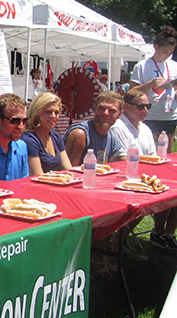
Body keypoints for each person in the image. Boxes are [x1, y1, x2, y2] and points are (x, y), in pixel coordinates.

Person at [109, 90, 177, 249]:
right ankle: (118, 242)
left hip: (146, 177)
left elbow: (154, 157)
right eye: (141, 106)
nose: (145, 110)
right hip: (124, 179)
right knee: (148, 201)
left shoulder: (145, 128)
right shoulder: (118, 127)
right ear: (127, 106)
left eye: (148, 106)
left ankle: (163, 234)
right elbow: (124, 160)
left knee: (171, 192)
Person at [129, 26, 177, 151]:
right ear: (156, 48)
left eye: (170, 53)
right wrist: (150, 84)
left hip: (169, 115)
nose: (167, 56)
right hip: (149, 115)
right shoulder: (143, 66)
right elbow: (131, 92)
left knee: (167, 152)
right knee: (147, 151)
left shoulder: (174, 66)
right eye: (165, 52)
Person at [63, 91, 125, 166]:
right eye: (101, 108)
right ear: (95, 109)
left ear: (120, 115)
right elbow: (70, 171)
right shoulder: (80, 134)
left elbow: (123, 161)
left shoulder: (111, 137)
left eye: (112, 111)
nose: (105, 113)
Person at [21, 92, 72, 175]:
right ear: (37, 113)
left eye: (56, 112)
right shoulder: (29, 139)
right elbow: (38, 176)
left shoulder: (56, 137)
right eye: (48, 112)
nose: (53, 116)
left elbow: (68, 170)